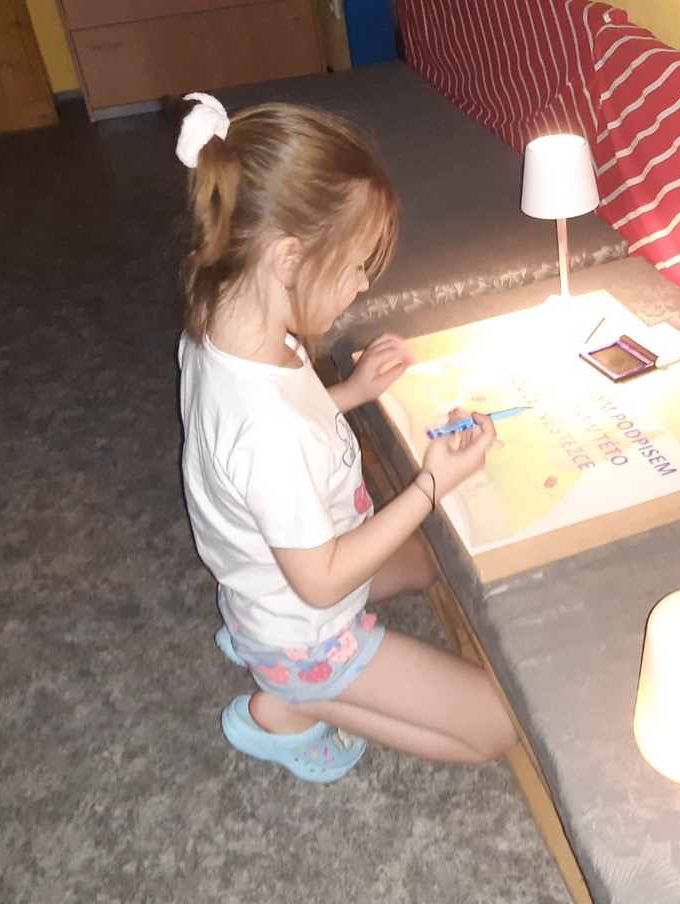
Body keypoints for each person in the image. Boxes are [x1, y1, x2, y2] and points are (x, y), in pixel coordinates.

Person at [174, 92, 518, 784]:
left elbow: (261, 442)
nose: (362, 284)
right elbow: (324, 579)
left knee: (432, 557)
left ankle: (260, 643)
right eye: (357, 264)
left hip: (272, 577)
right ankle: (290, 700)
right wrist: (429, 484)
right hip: (306, 623)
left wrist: (350, 394)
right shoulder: (267, 429)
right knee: (498, 727)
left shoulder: (225, 320)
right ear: (288, 259)